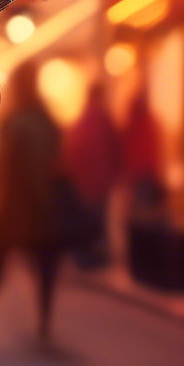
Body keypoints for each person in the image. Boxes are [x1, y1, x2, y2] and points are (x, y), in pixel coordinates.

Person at [0, 62, 67, 344]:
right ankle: (44, 326)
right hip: (38, 208)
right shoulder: (44, 121)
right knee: (47, 268)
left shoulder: (12, 122)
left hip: (10, 208)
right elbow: (52, 163)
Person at [63, 82, 120, 266]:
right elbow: (116, 148)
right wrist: (116, 174)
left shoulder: (82, 120)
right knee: (99, 221)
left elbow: (72, 151)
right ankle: (98, 258)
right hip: (100, 180)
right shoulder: (104, 120)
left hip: (82, 182)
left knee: (85, 220)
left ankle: (84, 257)